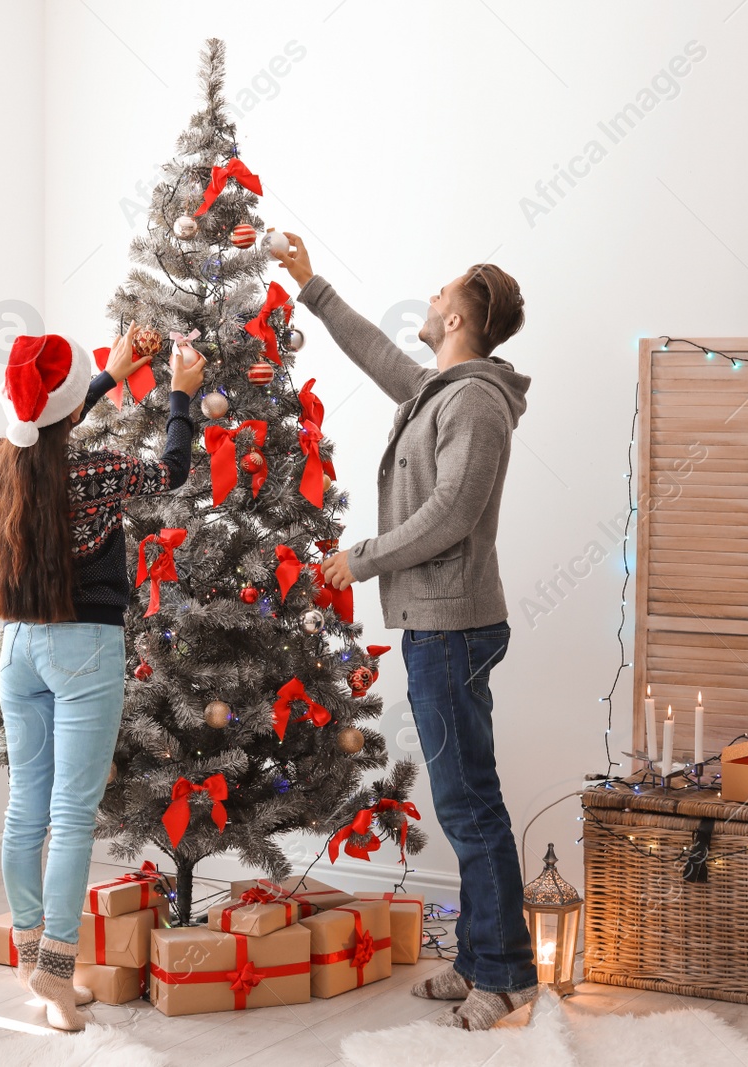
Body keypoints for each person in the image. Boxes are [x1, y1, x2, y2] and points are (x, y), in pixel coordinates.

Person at [272, 232, 537, 1031]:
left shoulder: (476, 404)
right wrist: (311, 287)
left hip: (451, 627)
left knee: (469, 804)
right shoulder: (440, 390)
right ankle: (480, 957)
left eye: (436, 293)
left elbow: (451, 514)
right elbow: (379, 357)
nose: (426, 299)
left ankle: (506, 975)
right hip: (435, 625)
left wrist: (362, 559)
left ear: (458, 315)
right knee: (463, 799)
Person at [0, 325, 203, 1031]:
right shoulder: (100, 471)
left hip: (17, 645)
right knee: (72, 816)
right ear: (73, 407)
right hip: (84, 648)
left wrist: (109, 372)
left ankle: (27, 947)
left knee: (26, 809)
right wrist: (181, 393)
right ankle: (57, 973)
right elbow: (172, 471)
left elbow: (44, 428)